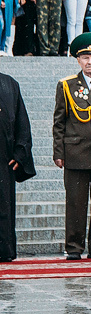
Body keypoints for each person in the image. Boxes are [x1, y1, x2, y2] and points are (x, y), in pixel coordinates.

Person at [53, 34, 91, 260]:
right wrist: (58, 152)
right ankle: (74, 247)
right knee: (75, 204)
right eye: (85, 57)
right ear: (78, 60)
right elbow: (59, 122)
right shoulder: (66, 85)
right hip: (76, 153)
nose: (90, 62)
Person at [0, 71, 35, 262]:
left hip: (3, 160)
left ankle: (4, 250)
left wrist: (20, 153)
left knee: (3, 207)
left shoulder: (9, 84)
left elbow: (22, 121)